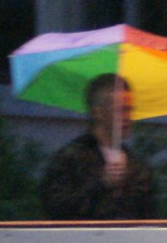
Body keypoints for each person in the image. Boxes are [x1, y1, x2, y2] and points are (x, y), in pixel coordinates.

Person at [41, 73, 157, 220]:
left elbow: (149, 217)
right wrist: (101, 183)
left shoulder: (137, 167)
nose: (128, 117)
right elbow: (56, 209)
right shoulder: (71, 158)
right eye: (121, 110)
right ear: (98, 113)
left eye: (130, 110)